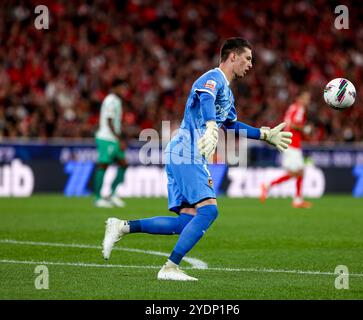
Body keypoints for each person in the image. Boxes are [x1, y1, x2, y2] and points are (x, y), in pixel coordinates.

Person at [102, 38, 292, 281]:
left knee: (185, 222)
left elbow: (231, 123)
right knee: (209, 212)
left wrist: (264, 134)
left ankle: (122, 226)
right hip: (187, 151)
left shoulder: (228, 95)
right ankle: (170, 267)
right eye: (248, 58)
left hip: (183, 152)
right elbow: (205, 97)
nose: (251, 65)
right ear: (232, 57)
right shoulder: (212, 78)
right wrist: (211, 125)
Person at [260, 90, 312, 208]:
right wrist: (304, 129)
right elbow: (293, 124)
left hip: (290, 142)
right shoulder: (299, 108)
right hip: (292, 143)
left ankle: (297, 199)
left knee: (299, 172)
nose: (308, 101)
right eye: (306, 98)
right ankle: (268, 185)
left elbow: (288, 123)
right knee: (297, 172)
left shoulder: (292, 108)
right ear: (299, 99)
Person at [93, 78, 129, 208]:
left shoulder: (117, 101)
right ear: (115, 88)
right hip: (106, 138)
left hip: (113, 138)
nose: (125, 91)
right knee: (103, 165)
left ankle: (112, 194)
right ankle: (98, 198)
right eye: (123, 88)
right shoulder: (110, 100)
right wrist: (119, 139)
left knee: (124, 164)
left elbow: (115, 122)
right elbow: (108, 121)